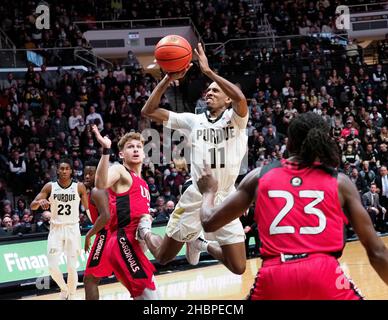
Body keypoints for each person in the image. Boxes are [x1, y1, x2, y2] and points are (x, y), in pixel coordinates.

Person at [197, 112, 388, 300]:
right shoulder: (340, 183)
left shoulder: (259, 176)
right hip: (324, 272)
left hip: (275, 276)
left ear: (288, 143)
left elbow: (208, 222)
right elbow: (377, 252)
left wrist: (209, 192)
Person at [138, 43, 248, 274]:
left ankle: (201, 243)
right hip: (196, 196)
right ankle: (145, 230)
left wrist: (208, 71)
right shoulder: (192, 120)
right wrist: (168, 78)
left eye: (215, 90)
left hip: (225, 196)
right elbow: (148, 111)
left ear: (227, 99)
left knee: (238, 267)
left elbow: (240, 99)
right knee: (164, 257)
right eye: (207, 90)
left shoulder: (236, 120)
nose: (209, 92)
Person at [91, 125, 159, 300]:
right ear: (121, 154)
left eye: (138, 147)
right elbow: (100, 183)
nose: (135, 149)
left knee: (147, 295)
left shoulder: (143, 182)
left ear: (144, 154)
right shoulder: (121, 171)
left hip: (133, 245)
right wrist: (106, 150)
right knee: (151, 298)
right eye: (130, 147)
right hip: (123, 242)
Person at [30, 159, 89, 300]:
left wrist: (95, 226)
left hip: (73, 228)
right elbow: (32, 206)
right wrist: (40, 202)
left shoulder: (79, 187)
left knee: (71, 267)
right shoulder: (50, 186)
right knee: (52, 266)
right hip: (56, 229)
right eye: (61, 168)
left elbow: (87, 209)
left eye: (67, 168)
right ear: (57, 170)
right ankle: (64, 289)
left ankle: (73, 295)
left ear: (71, 171)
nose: (64, 171)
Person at [82, 160, 112, 300]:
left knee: (90, 280)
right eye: (85, 173)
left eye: (91, 173)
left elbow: (106, 216)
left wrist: (88, 235)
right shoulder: (100, 189)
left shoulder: (97, 190)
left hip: (105, 235)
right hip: (110, 234)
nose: (87, 176)